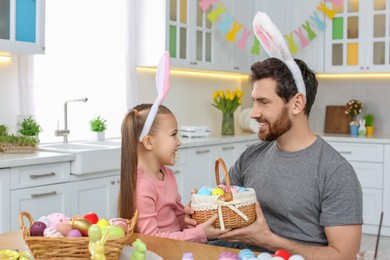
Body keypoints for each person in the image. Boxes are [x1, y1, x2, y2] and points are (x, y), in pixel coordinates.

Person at [185, 58, 363, 260]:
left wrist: (269, 241)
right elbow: (223, 207)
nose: (253, 113)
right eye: (254, 101)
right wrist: (199, 214)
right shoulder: (252, 155)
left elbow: (344, 256)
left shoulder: (335, 172)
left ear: (297, 104)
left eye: (264, 102)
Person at [117, 103, 229, 242]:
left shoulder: (167, 174)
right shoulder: (143, 185)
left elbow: (179, 221)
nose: (179, 142)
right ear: (149, 142)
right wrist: (200, 234)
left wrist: (194, 213)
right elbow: (152, 240)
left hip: (179, 246)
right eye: (173, 134)